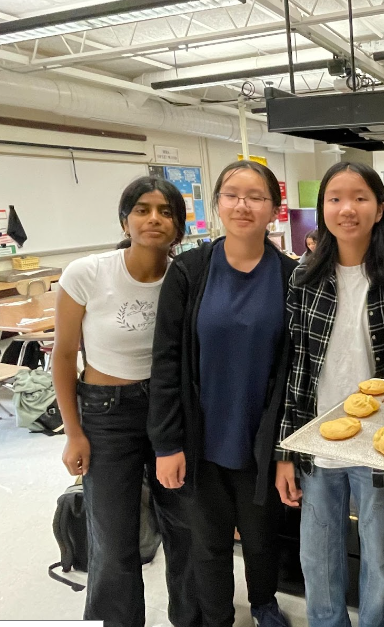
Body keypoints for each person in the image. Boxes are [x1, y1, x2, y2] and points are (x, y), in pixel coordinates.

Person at [148, 160, 297, 627]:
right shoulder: (190, 272)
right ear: (216, 203)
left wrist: (286, 449)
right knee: (207, 541)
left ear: (274, 208)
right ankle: (216, 617)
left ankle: (264, 603)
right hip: (200, 438)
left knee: (261, 535)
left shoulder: (291, 277)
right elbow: (166, 361)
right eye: (232, 194)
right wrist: (167, 443)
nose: (243, 204)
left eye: (256, 196)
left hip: (261, 438)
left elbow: (296, 369)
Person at [275, 161, 384, 627]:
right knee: (318, 560)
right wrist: (285, 451)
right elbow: (294, 371)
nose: (346, 208)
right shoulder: (302, 280)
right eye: (335, 198)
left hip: (379, 449)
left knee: (380, 560)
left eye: (360, 197)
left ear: (380, 209)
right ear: (323, 210)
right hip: (318, 444)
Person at [54, 177, 199, 627]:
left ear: (178, 226)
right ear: (125, 220)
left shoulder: (188, 277)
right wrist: (73, 433)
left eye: (165, 211)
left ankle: (191, 619)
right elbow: (62, 355)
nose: (153, 218)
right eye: (142, 209)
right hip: (104, 412)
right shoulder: (88, 273)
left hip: (168, 410)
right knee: (114, 538)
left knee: (184, 529)